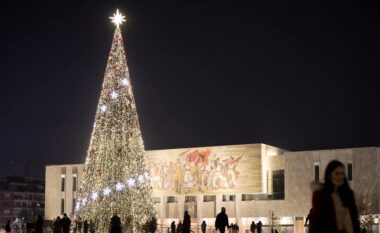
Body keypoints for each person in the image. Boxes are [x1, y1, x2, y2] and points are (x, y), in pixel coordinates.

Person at [309, 160, 360, 233]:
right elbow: (316, 219)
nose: (340, 176)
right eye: (337, 173)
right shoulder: (321, 194)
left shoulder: (348, 194)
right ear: (329, 175)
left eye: (342, 174)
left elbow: (354, 218)